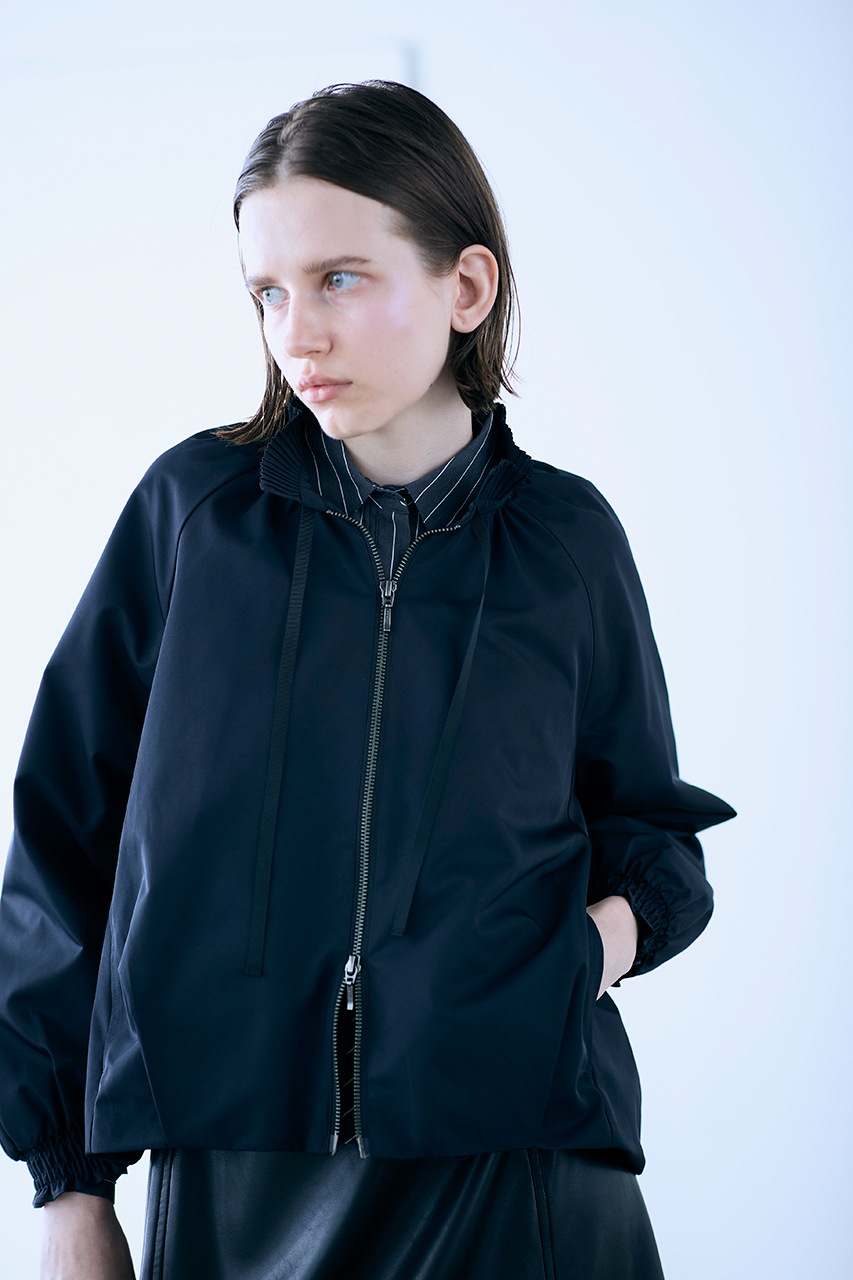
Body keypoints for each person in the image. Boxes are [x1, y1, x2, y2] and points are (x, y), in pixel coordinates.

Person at [0, 81, 735, 1279]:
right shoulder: (195, 517)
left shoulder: (565, 542)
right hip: (235, 1183)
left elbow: (652, 840)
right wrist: (68, 1189)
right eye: (269, 291)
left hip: (520, 1178)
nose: (298, 334)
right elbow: (62, 843)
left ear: (467, 287)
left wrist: (574, 962)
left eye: (339, 277)